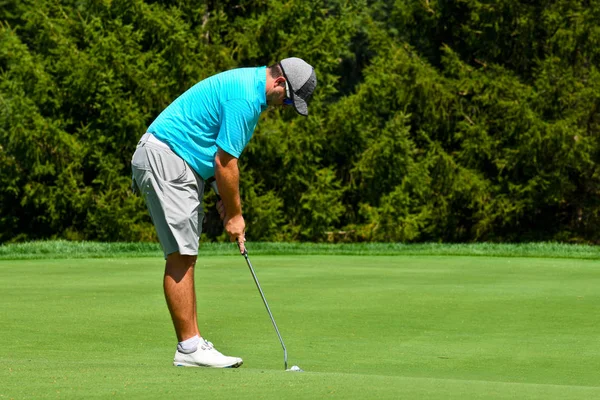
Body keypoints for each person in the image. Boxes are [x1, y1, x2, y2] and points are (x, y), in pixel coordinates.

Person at [131, 58, 317, 368]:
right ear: (280, 82)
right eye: (287, 100)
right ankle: (190, 348)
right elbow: (225, 162)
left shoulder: (249, 88)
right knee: (181, 253)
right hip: (167, 158)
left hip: (175, 160)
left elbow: (215, 156)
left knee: (185, 253)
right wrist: (234, 215)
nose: (284, 106)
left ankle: (191, 345)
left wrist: (223, 198)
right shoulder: (245, 99)